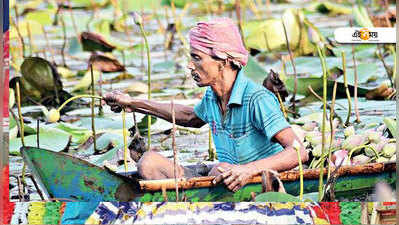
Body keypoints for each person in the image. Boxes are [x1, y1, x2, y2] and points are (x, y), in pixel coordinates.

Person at [103, 18, 308, 192]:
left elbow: (298, 151)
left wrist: (248, 170)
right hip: (225, 177)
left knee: (220, 169)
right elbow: (190, 117)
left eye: (197, 58)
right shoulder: (212, 96)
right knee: (148, 162)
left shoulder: (256, 98)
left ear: (223, 60)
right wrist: (132, 103)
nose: (190, 65)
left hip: (263, 182)